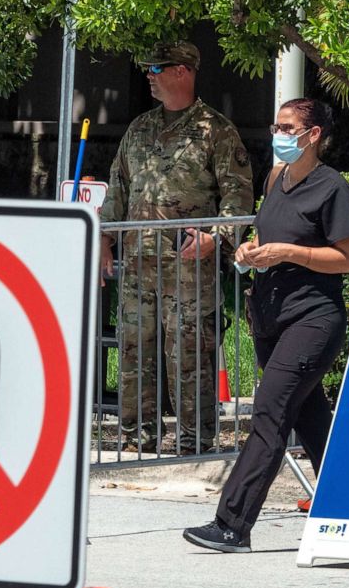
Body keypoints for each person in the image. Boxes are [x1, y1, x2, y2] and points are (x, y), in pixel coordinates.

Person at [183, 98, 349, 552]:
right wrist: (250, 249)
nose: (278, 134)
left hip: (313, 318)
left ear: (314, 134)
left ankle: (232, 524)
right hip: (270, 316)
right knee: (312, 418)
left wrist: (288, 253)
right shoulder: (275, 178)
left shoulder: (333, 189)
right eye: (276, 125)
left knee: (269, 413)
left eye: (287, 127)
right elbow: (269, 232)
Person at [100, 40, 254, 454]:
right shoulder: (139, 128)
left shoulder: (215, 130)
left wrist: (217, 238)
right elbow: (119, 187)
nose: (149, 75)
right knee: (134, 352)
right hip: (138, 264)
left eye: (157, 68)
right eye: (148, 68)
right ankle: (136, 440)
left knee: (189, 355)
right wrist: (103, 239)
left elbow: (237, 197)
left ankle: (195, 442)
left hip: (189, 266)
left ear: (182, 71)